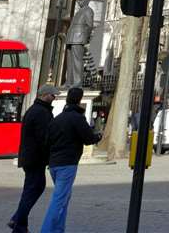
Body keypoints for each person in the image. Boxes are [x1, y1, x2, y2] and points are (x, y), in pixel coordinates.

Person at [39, 86, 100, 233]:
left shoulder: (57, 119)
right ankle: (47, 230)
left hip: (54, 163)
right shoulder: (77, 119)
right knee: (59, 199)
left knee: (64, 197)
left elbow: (47, 141)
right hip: (67, 163)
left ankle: (58, 229)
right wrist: (98, 136)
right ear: (79, 100)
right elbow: (88, 138)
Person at [9, 84, 58, 233]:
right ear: (44, 95)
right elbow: (44, 137)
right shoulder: (41, 112)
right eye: (52, 95)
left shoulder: (36, 110)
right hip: (35, 158)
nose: (54, 98)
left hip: (31, 157)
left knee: (32, 189)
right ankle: (19, 224)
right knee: (33, 189)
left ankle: (17, 220)